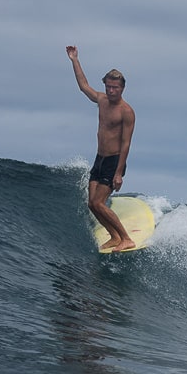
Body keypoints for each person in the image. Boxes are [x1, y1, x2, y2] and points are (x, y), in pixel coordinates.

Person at [66, 45, 137, 252]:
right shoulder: (102, 100)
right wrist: (74, 60)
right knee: (91, 204)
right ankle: (115, 237)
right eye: (108, 87)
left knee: (98, 203)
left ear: (122, 88)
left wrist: (118, 174)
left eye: (115, 88)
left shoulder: (127, 112)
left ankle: (125, 238)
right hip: (100, 158)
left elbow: (126, 143)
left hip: (114, 161)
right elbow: (83, 86)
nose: (111, 91)